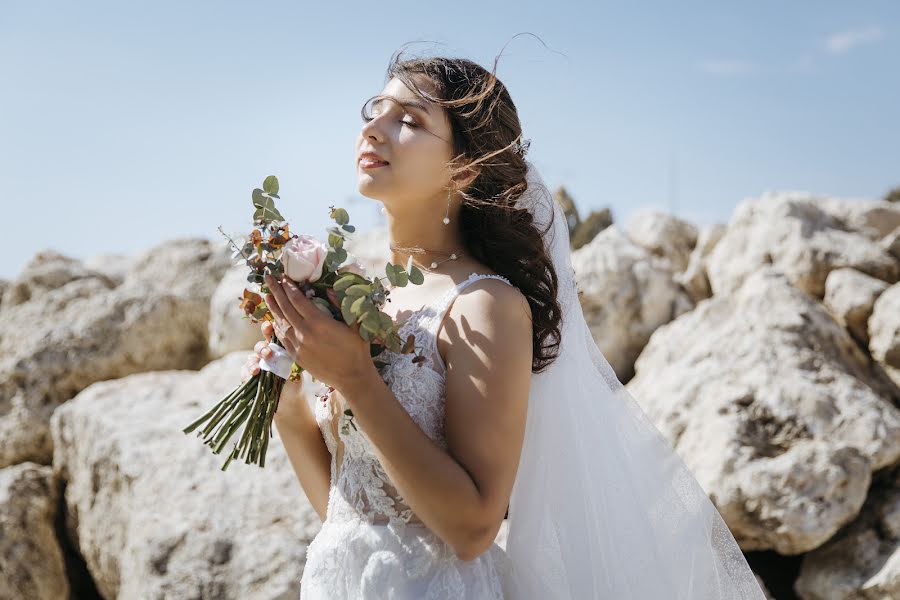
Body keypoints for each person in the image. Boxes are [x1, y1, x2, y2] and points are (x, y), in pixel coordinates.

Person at [244, 50, 768, 599]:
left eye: (409, 120)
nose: (374, 128)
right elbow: (350, 512)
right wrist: (286, 404)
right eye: (376, 109)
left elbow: (473, 528)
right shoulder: (371, 296)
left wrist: (355, 379)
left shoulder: (484, 305)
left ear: (464, 169)